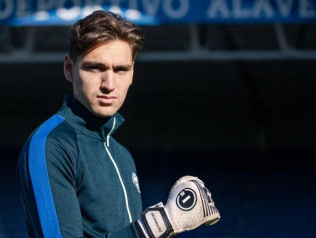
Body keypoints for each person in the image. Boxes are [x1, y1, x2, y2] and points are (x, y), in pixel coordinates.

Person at [17, 10, 220, 238]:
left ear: (132, 72)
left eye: (121, 69)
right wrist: (157, 225)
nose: (109, 84)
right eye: (96, 68)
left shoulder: (123, 156)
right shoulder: (51, 145)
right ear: (68, 68)